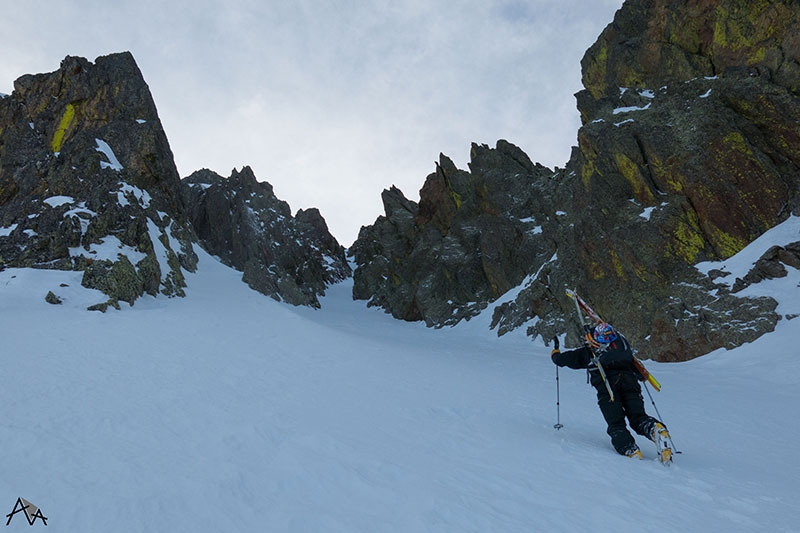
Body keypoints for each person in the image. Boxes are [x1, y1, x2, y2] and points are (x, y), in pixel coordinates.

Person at [550, 322, 670, 460]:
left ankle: (630, 449)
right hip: (631, 384)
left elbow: (564, 360)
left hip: (608, 390)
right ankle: (655, 429)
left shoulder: (590, 352)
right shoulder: (621, 346)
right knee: (638, 418)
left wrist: (555, 354)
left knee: (616, 423)